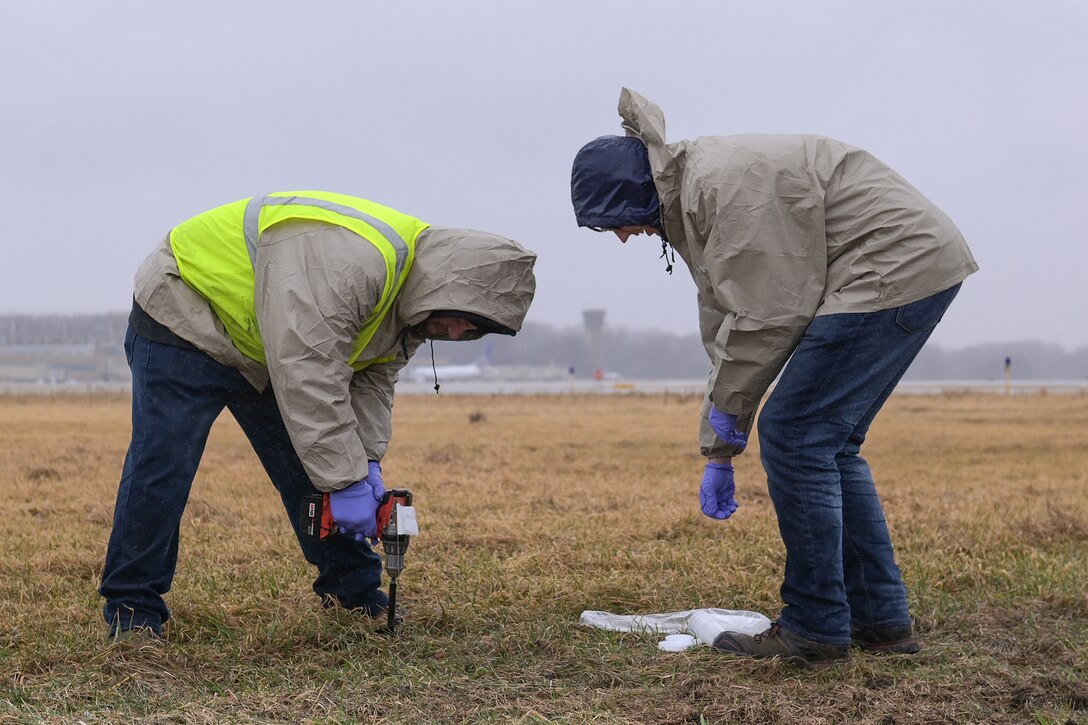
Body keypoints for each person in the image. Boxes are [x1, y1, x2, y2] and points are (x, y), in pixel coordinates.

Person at [571, 90, 977, 669]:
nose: (622, 237)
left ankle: (815, 627)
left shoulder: (723, 192)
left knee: (795, 433)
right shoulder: (691, 197)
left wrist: (732, 421)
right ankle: (880, 621)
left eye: (618, 221)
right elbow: (725, 317)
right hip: (911, 264)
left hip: (888, 265)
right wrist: (718, 442)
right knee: (828, 444)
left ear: (636, 193)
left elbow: (767, 317)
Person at [100, 191, 537, 642]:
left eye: (474, 329)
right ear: (448, 285)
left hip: (267, 346)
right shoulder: (355, 267)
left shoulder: (412, 307)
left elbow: (369, 384)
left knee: (319, 464)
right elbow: (308, 373)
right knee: (163, 467)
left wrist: (365, 467)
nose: (456, 332)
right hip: (186, 311)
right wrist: (345, 482)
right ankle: (132, 609)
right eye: (460, 318)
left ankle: (354, 593)